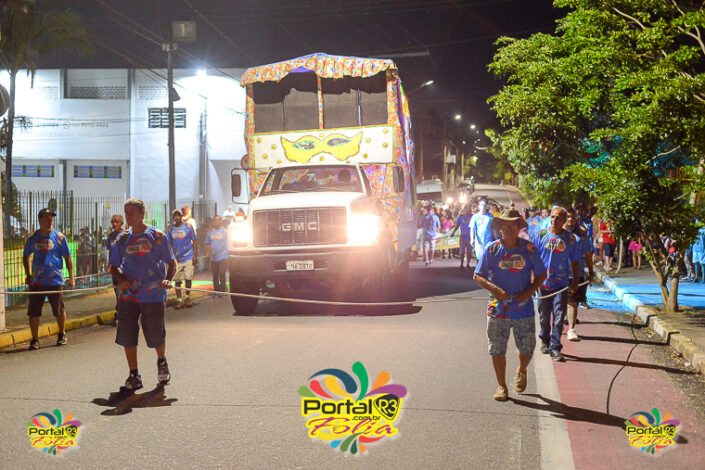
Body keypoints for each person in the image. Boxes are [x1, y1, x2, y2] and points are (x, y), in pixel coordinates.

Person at [473, 209, 547, 401]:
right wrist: (495, 289)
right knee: (496, 348)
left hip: (523, 308)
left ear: (519, 227)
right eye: (505, 225)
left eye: (513, 225)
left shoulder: (529, 249)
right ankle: (502, 386)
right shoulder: (492, 249)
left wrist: (529, 291)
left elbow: (541, 274)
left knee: (527, 348)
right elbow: (478, 276)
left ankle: (521, 370)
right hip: (498, 309)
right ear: (499, 227)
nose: (509, 228)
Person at [110, 198, 176, 392]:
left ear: (142, 214)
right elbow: (113, 266)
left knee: (155, 332)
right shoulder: (122, 239)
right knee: (128, 334)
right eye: (126, 212)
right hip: (129, 296)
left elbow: (172, 263)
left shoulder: (157, 236)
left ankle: (161, 361)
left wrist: (167, 279)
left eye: (131, 212)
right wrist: (122, 279)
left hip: (152, 295)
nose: (128, 216)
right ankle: (134, 374)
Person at [22, 208, 75, 349]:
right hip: (37, 282)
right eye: (47, 217)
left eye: (51, 217)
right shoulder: (33, 238)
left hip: (55, 280)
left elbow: (67, 257)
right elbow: (26, 256)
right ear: (40, 220)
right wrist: (28, 275)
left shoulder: (59, 237)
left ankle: (62, 333)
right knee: (34, 311)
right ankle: (34, 339)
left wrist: (71, 277)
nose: (50, 220)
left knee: (59, 309)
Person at [532, 207, 580, 361]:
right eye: (552, 217)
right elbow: (532, 258)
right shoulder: (540, 235)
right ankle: (545, 340)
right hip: (543, 284)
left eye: (558, 218)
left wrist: (575, 282)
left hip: (561, 284)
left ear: (564, 220)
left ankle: (555, 347)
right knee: (544, 317)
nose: (554, 220)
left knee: (559, 317)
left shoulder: (570, 239)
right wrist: (533, 279)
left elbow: (575, 262)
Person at [564, 207, 594, 341]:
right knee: (557, 304)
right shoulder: (555, 233)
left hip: (575, 274)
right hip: (557, 275)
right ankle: (556, 327)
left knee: (572, 302)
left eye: (573, 217)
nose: (570, 219)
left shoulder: (582, 235)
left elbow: (588, 254)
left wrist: (591, 271)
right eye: (568, 217)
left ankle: (571, 329)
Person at [168, 209, 198, 309]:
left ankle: (187, 297)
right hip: (177, 259)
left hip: (189, 256)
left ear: (181, 216)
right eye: (175, 216)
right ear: (173, 218)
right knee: (177, 280)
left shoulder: (188, 227)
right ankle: (179, 299)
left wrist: (195, 255)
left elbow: (195, 241)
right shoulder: (171, 230)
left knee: (188, 278)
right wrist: (171, 258)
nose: (177, 217)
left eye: (178, 215)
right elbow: (169, 244)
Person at [106, 214, 125, 326]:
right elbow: (110, 251)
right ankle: (120, 313)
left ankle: (121, 314)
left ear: (121, 223)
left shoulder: (125, 235)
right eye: (113, 222)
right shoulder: (111, 236)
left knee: (121, 291)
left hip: (122, 267)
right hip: (114, 267)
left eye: (116, 222)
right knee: (117, 291)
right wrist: (109, 264)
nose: (114, 224)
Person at [206, 215, 228, 294]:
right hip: (213, 257)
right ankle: (216, 290)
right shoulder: (210, 232)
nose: (216, 221)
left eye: (218, 220)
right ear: (213, 222)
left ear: (221, 221)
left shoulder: (225, 231)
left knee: (222, 273)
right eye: (215, 220)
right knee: (215, 275)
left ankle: (223, 290)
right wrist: (208, 254)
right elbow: (207, 243)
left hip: (223, 256)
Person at [451, 204, 473, 270]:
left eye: (469, 209)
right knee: (462, 251)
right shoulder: (460, 217)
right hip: (462, 236)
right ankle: (461, 264)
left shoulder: (473, 216)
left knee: (469, 251)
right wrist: (453, 232)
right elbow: (457, 225)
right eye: (466, 209)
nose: (468, 210)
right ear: (464, 209)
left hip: (470, 237)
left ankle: (468, 264)